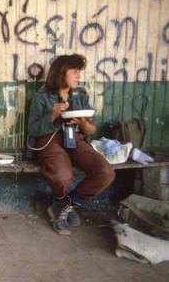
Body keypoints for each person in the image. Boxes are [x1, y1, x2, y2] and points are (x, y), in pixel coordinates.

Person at [28, 54, 115, 235]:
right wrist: (51, 116)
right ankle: (63, 203)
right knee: (62, 176)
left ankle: (64, 205)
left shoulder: (80, 94)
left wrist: (83, 125)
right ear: (61, 72)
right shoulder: (42, 96)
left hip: (74, 138)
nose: (78, 76)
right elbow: (33, 129)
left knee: (105, 172)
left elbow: (90, 129)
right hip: (49, 139)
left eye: (79, 72)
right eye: (74, 72)